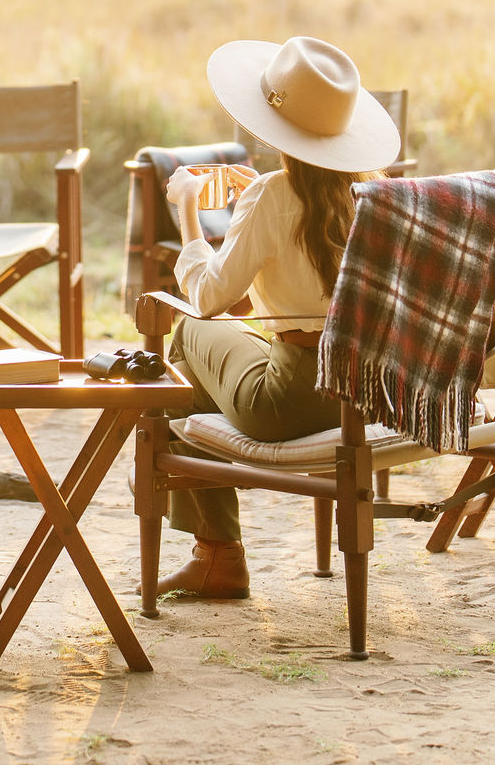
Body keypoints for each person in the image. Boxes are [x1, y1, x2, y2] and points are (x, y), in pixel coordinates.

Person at [153, 35, 401, 600]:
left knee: (190, 332)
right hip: (368, 390)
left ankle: (217, 554)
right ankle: (215, 555)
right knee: (226, 345)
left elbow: (210, 299)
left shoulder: (271, 196)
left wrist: (191, 210)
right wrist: (255, 206)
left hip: (290, 404)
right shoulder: (374, 197)